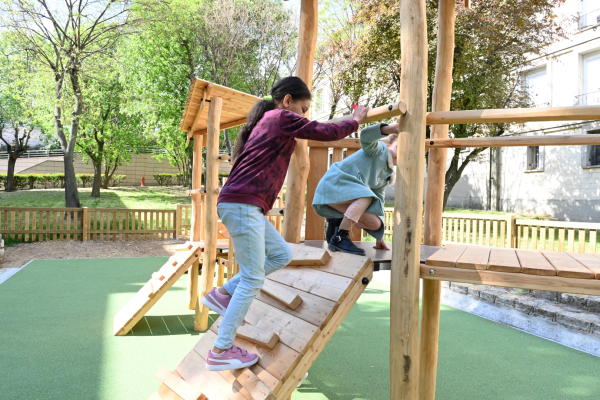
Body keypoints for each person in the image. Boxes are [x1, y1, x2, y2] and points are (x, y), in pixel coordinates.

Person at [200, 76, 369, 371]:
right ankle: (221, 349)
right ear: (288, 100)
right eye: (302, 108)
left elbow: (314, 125)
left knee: (281, 255)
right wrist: (355, 121)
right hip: (242, 204)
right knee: (253, 278)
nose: (303, 115)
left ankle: (223, 293)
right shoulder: (280, 116)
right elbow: (321, 131)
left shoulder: (272, 120)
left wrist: (348, 119)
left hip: (244, 205)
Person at [312, 122, 399, 256]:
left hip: (346, 196)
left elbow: (379, 201)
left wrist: (379, 237)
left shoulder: (386, 173)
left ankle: (340, 225)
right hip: (334, 184)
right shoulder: (379, 149)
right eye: (399, 147)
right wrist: (389, 129)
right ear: (389, 145)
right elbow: (365, 136)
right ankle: (341, 236)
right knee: (366, 196)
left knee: (376, 224)